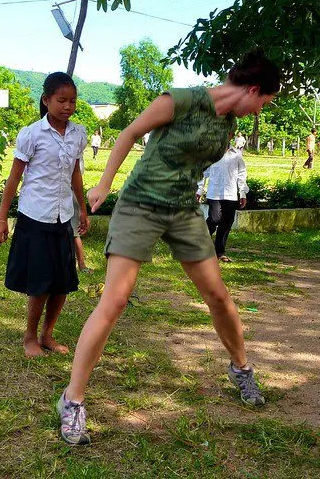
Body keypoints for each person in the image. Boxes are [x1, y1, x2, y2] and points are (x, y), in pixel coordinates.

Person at [55, 50, 280, 446]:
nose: (263, 110)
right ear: (253, 89)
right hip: (140, 204)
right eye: (265, 102)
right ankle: (72, 401)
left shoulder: (228, 122)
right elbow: (128, 133)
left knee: (218, 295)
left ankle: (241, 369)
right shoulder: (180, 100)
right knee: (115, 302)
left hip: (183, 210)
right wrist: (105, 184)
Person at [0, 72, 88, 357]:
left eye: (72, 101)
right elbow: (13, 179)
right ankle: (30, 337)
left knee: (62, 281)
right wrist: (1, 218)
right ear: (46, 101)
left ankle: (47, 335)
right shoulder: (32, 134)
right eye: (61, 100)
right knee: (40, 282)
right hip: (36, 216)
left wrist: (82, 209)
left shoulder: (78, 134)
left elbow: (75, 173)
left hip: (62, 216)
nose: (67, 106)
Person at [197, 142, 249, 262]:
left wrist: (242, 192)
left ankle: (219, 252)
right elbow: (202, 173)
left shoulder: (236, 155)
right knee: (214, 219)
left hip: (231, 195)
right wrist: (199, 189)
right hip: (214, 193)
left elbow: (242, 174)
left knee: (226, 223)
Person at [72, 157, 93, 274]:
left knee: (75, 233)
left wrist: (82, 208)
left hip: (71, 194)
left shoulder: (74, 149)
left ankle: (82, 265)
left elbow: (75, 175)